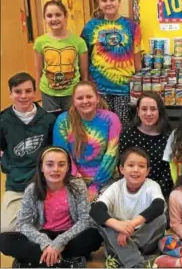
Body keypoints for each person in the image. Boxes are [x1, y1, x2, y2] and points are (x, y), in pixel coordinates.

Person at [0, 146, 102, 268]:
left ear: (68, 167)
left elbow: (85, 220)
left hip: (69, 236)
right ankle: (62, 261)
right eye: (50, 164)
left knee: (95, 235)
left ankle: (41, 259)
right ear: (42, 167)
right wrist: (47, 244)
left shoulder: (77, 185)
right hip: (43, 236)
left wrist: (60, 242)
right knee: (4, 241)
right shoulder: (32, 190)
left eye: (61, 164)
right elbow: (23, 224)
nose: (55, 169)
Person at [90, 147, 167, 268]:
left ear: (147, 171)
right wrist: (118, 225)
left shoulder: (152, 185)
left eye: (141, 166)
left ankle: (121, 257)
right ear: (122, 169)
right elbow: (96, 210)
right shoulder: (115, 187)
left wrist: (130, 225)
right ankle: (138, 263)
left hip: (143, 238)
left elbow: (158, 206)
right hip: (117, 236)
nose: (136, 170)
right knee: (103, 221)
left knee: (161, 218)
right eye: (130, 165)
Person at [0, 72, 55, 232]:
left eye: (28, 91)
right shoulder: (3, 121)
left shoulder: (48, 120)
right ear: (10, 94)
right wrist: (8, 167)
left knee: (46, 225)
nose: (23, 96)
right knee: (7, 229)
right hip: (16, 183)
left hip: (42, 182)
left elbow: (52, 151)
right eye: (18, 91)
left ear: (35, 92)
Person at [81, 0, 142, 124]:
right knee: (102, 127)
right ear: (99, 3)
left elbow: (137, 59)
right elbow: (84, 57)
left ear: (119, 2)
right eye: (104, 0)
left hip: (124, 89)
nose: (108, 3)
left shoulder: (132, 26)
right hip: (99, 89)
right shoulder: (91, 26)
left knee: (122, 128)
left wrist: (140, 86)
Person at [53, 81, 121, 202]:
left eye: (89, 96)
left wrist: (95, 185)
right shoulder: (63, 120)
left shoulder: (111, 119)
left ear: (97, 98)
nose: (85, 101)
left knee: (102, 210)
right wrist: (78, 183)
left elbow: (112, 154)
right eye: (80, 98)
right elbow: (62, 155)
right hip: (72, 179)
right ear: (74, 101)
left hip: (106, 179)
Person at [34, 0, 88, 112]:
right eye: (49, 16)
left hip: (72, 92)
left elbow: (84, 72)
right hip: (48, 93)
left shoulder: (79, 42)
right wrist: (37, 90)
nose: (54, 19)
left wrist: (84, 91)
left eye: (58, 15)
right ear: (44, 18)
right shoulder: (40, 42)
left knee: (72, 124)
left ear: (65, 16)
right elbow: (38, 69)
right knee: (52, 125)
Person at [120, 92, 173, 198]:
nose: (148, 113)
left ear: (159, 112)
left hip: (159, 193)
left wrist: (155, 193)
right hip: (131, 190)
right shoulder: (128, 134)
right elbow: (123, 166)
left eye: (153, 109)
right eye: (144, 109)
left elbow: (168, 171)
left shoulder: (168, 136)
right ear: (138, 111)